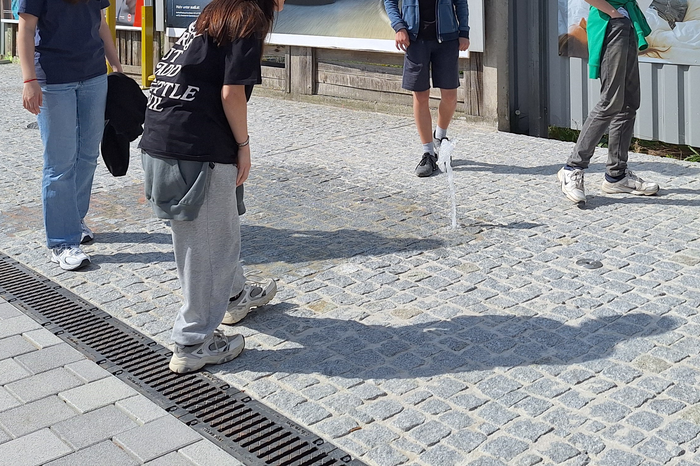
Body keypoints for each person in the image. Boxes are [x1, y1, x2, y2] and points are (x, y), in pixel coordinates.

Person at [139, 0, 280, 374]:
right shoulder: (248, 20)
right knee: (208, 247)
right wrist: (244, 145)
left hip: (162, 140)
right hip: (194, 150)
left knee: (218, 230)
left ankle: (233, 296)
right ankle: (193, 342)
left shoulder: (216, 13)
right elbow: (231, 93)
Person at [18, 0, 123, 270]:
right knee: (60, 164)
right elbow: (26, 29)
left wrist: (116, 66)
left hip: (94, 76)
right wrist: (29, 80)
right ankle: (62, 242)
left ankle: (74, 219)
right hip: (53, 80)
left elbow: (100, 23)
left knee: (87, 155)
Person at [558, 0, 659, 205]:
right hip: (611, 24)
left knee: (629, 103)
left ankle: (616, 175)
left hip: (626, 22)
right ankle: (572, 168)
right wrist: (614, 13)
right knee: (610, 102)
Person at [384, 0, 470, 177]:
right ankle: (428, 153)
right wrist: (399, 27)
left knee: (450, 97)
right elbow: (390, 2)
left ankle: (439, 135)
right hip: (415, 40)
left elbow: (461, 2)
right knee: (420, 97)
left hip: (447, 39)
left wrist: (464, 31)